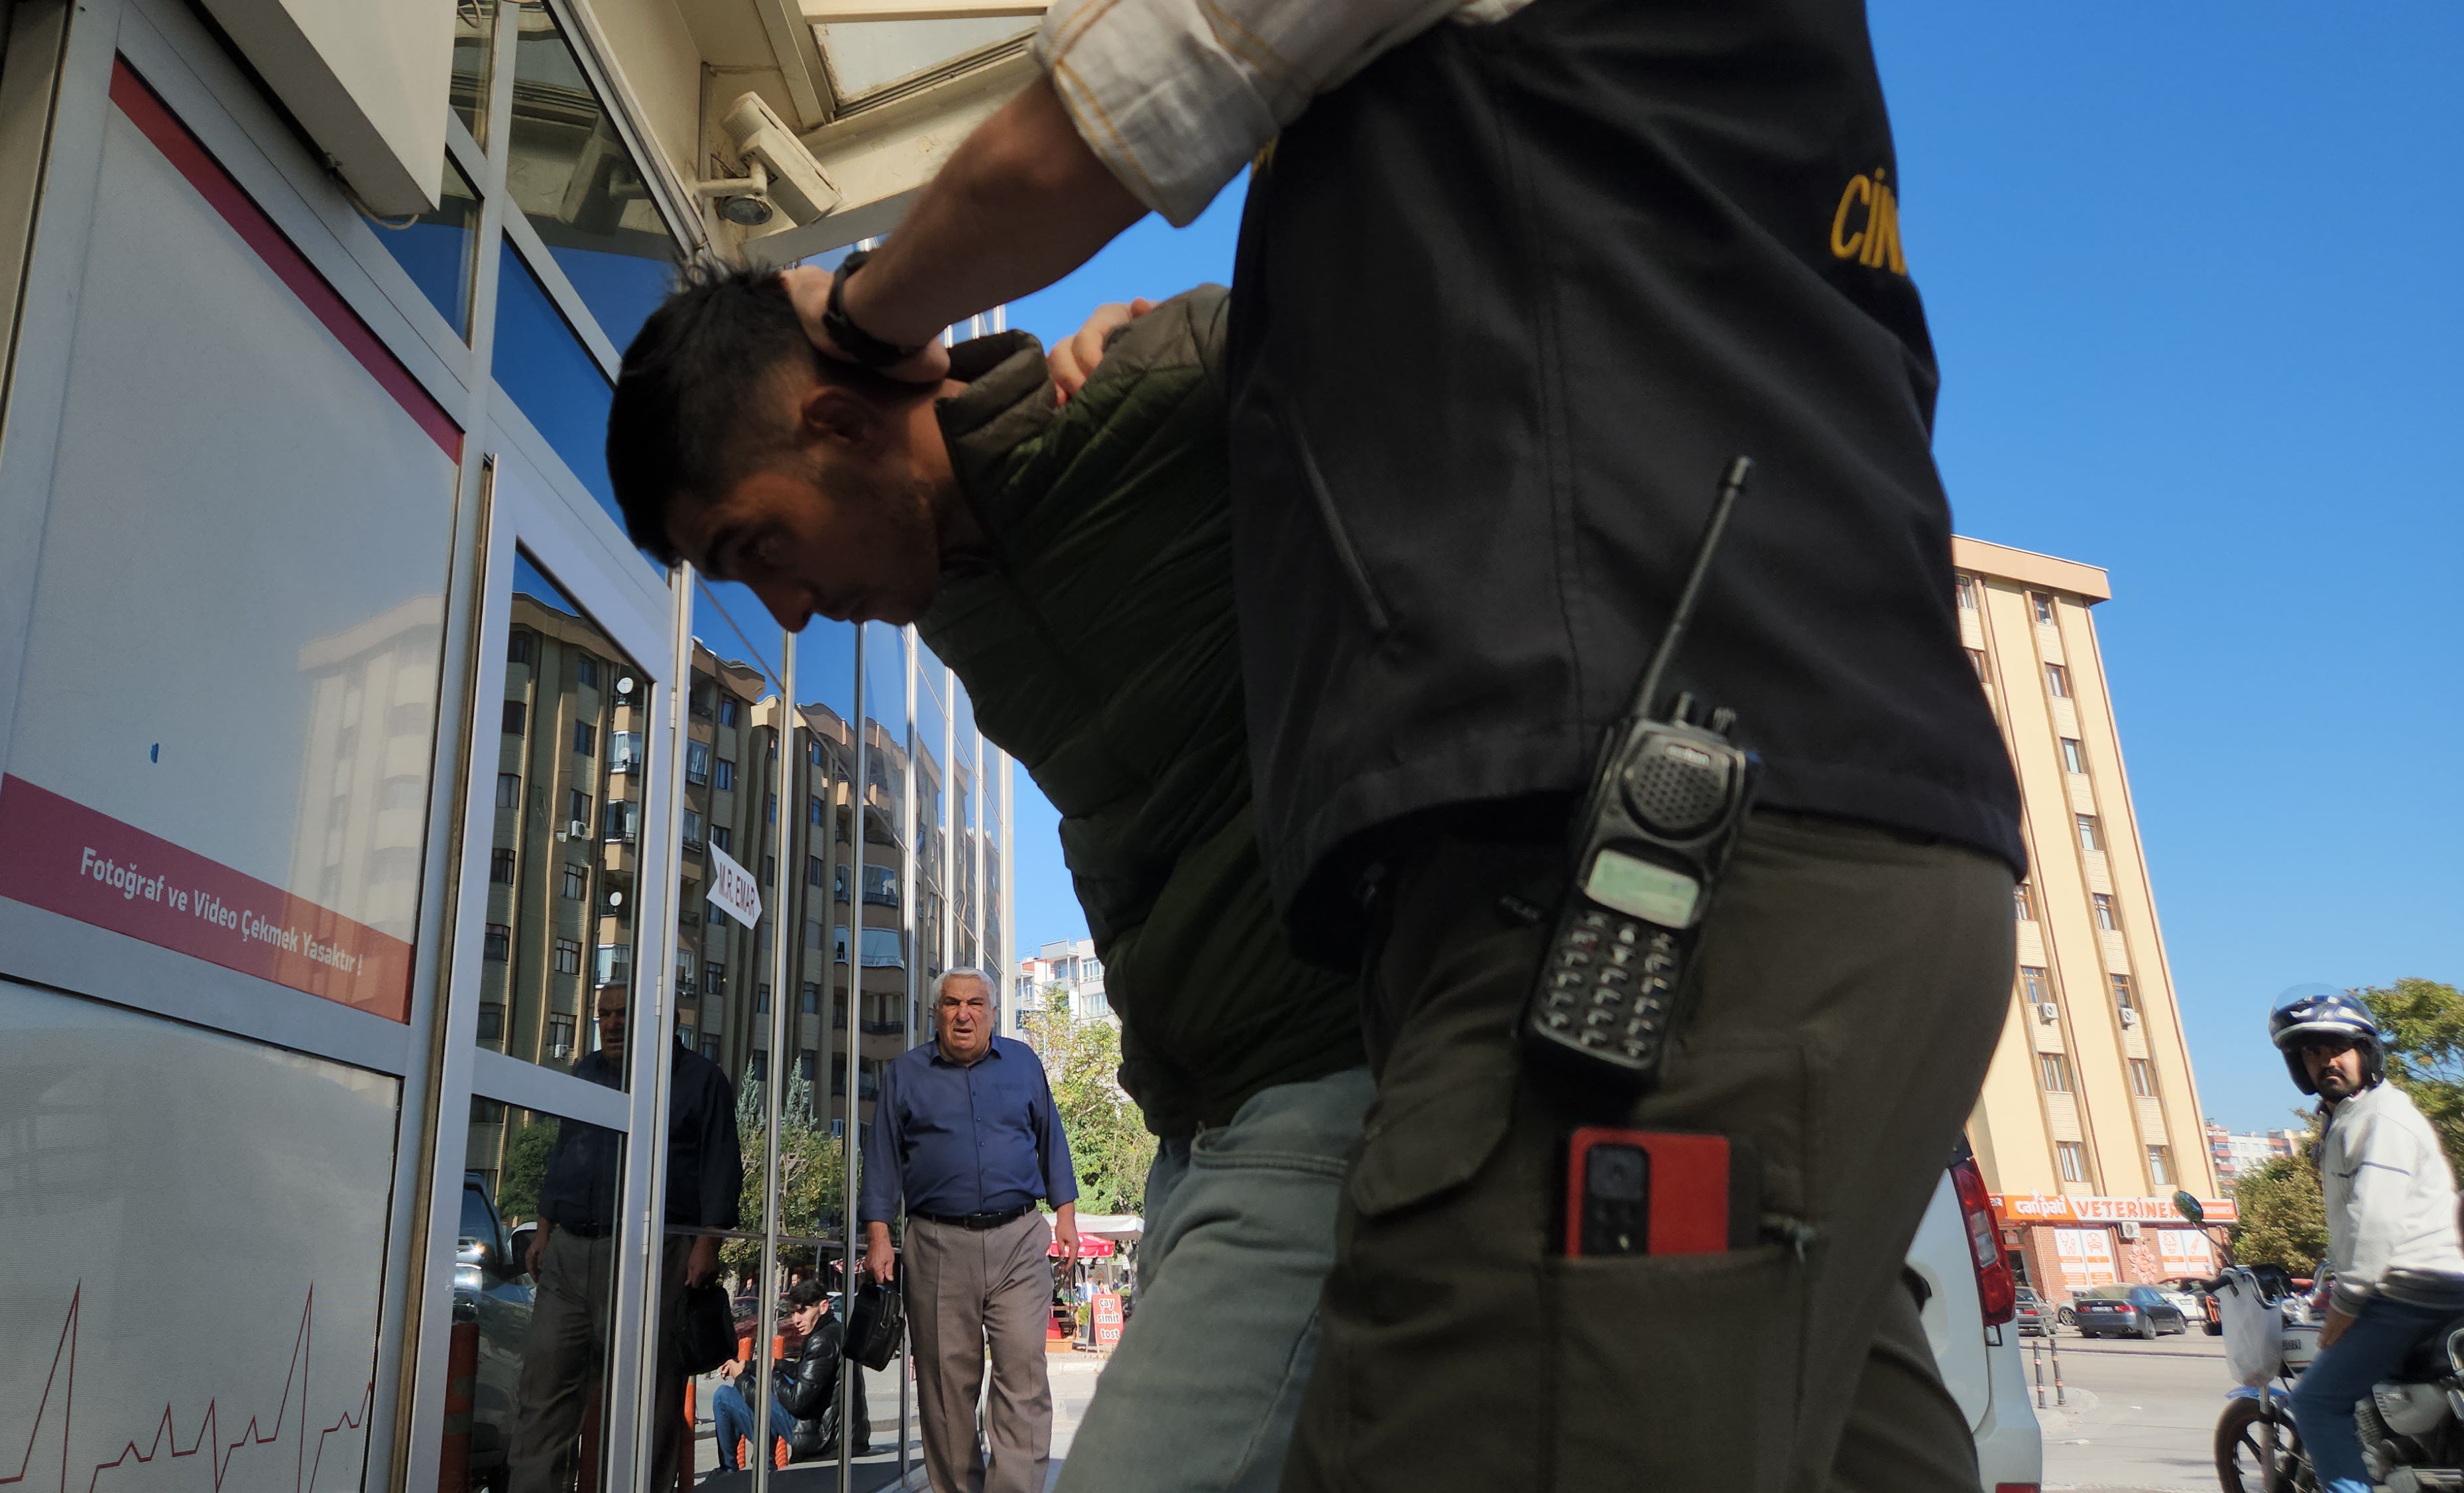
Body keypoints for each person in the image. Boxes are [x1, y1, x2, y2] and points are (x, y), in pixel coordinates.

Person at [751, 3, 2030, 1488]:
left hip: (1627, 856)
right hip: (1800, 818)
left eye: (758, 541)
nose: (782, 608)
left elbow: (1140, 92)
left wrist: (853, 322)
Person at [605, 272, 1372, 1492]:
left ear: (838, 419)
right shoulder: (950, 594)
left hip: (1327, 1084)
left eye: (763, 547)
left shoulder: (1158, 401)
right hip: (1200, 1122)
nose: (790, 608)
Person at [512, 986, 742, 1492]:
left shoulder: (702, 1081)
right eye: (605, 1015)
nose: (612, 1025)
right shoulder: (588, 1073)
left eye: (624, 1015)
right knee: (543, 1397)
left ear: (663, 1023)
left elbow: (721, 1172)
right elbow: (562, 1156)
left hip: (653, 1255)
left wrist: (707, 1246)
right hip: (570, 1253)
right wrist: (543, 1229)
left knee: (647, 1405)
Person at [856, 971, 1077, 1493]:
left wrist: (1065, 1212)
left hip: (1020, 1238)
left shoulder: (1023, 1063)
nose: (963, 1014)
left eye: (976, 1003)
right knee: (945, 1390)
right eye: (952, 1003)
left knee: (1023, 1376)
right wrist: (879, 1233)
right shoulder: (905, 1074)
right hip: (936, 1245)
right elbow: (883, 1157)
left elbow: (1052, 1138)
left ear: (992, 1012)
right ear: (935, 1013)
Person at [2269, 985, 2464, 1493]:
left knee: (2316, 1402)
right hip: (2421, 1285)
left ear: (2366, 1052)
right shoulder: (2351, 1119)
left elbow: (2373, 1218)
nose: (2326, 1061)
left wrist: (2349, 1300)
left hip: (2411, 1290)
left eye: (2337, 1047)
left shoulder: (2381, 1118)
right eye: (2311, 1052)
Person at [709, 1280, 858, 1473]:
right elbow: (809, 1376)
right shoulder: (834, 1332)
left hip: (822, 1436)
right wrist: (755, 1367)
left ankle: (728, 1472)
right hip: (835, 1430)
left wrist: (742, 1378)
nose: (796, 1320)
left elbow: (796, 1401)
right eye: (793, 1313)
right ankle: (764, 1465)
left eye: (802, 1311)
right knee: (759, 1388)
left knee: (723, 1396)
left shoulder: (821, 1340)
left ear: (823, 1306)